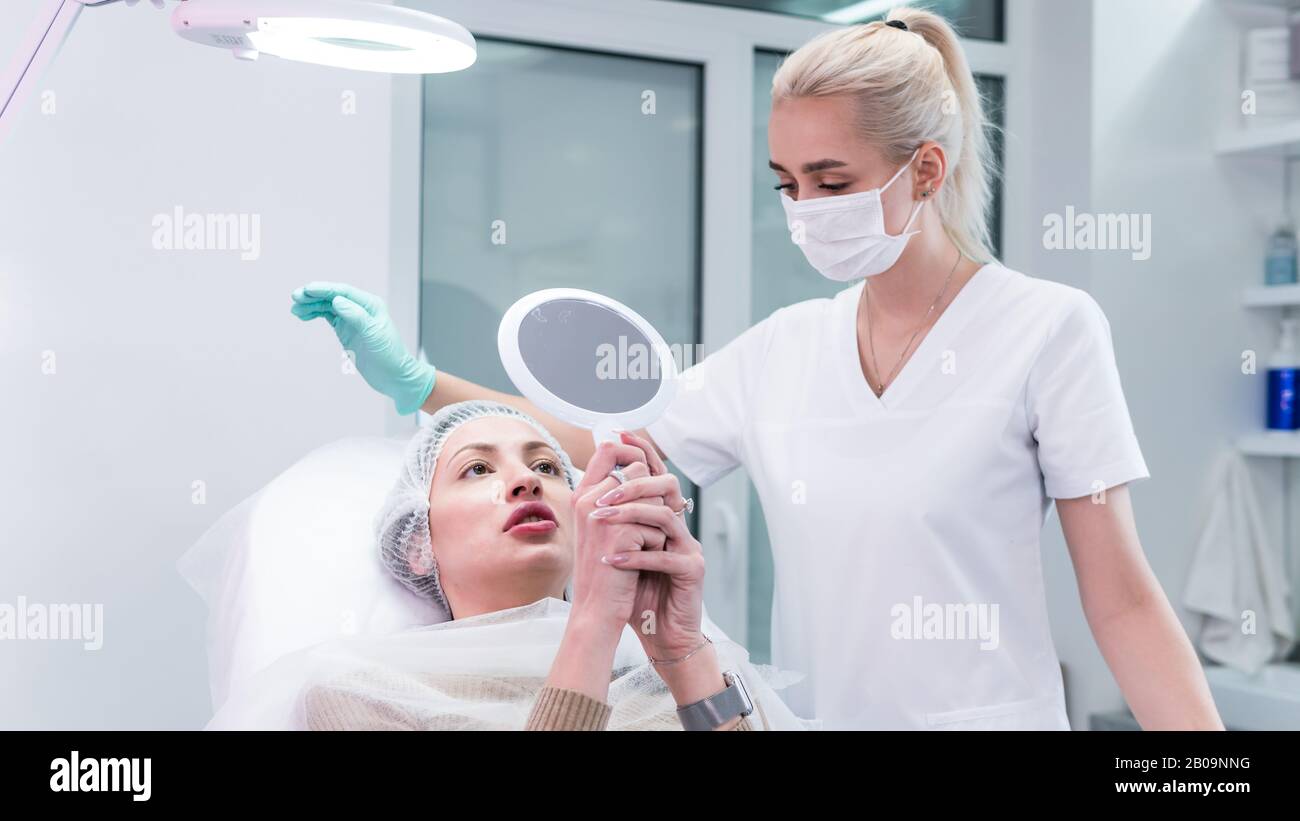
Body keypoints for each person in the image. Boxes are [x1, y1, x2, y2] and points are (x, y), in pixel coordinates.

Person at [290, 9, 1222, 730]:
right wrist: (421, 384)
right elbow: (591, 439)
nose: (805, 207)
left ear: (927, 170)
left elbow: (1127, 602)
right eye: (787, 182)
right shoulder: (786, 348)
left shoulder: (1047, 329)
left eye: (833, 180)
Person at [209, 401, 808, 731]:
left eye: (549, 468)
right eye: (477, 469)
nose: (525, 480)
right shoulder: (361, 698)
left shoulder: (665, 688)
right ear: (417, 541)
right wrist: (594, 621)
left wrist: (680, 653)